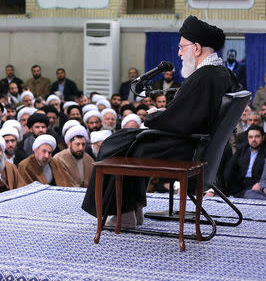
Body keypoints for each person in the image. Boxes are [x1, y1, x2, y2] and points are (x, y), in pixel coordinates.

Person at [82, 15, 237, 228]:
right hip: (196, 143)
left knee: (117, 145)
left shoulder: (206, 76)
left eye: (182, 47)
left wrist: (155, 115)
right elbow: (191, 113)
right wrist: (167, 112)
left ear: (197, 48)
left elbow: (186, 120)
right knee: (125, 140)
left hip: (187, 147)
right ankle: (131, 210)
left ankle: (123, 214)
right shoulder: (219, 73)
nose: (179, 53)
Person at [224, 125, 266, 200]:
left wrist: (260, 184)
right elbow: (230, 169)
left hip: (257, 185)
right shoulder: (242, 149)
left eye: (257, 137)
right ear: (247, 138)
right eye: (250, 137)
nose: (253, 139)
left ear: (263, 138)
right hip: (240, 186)